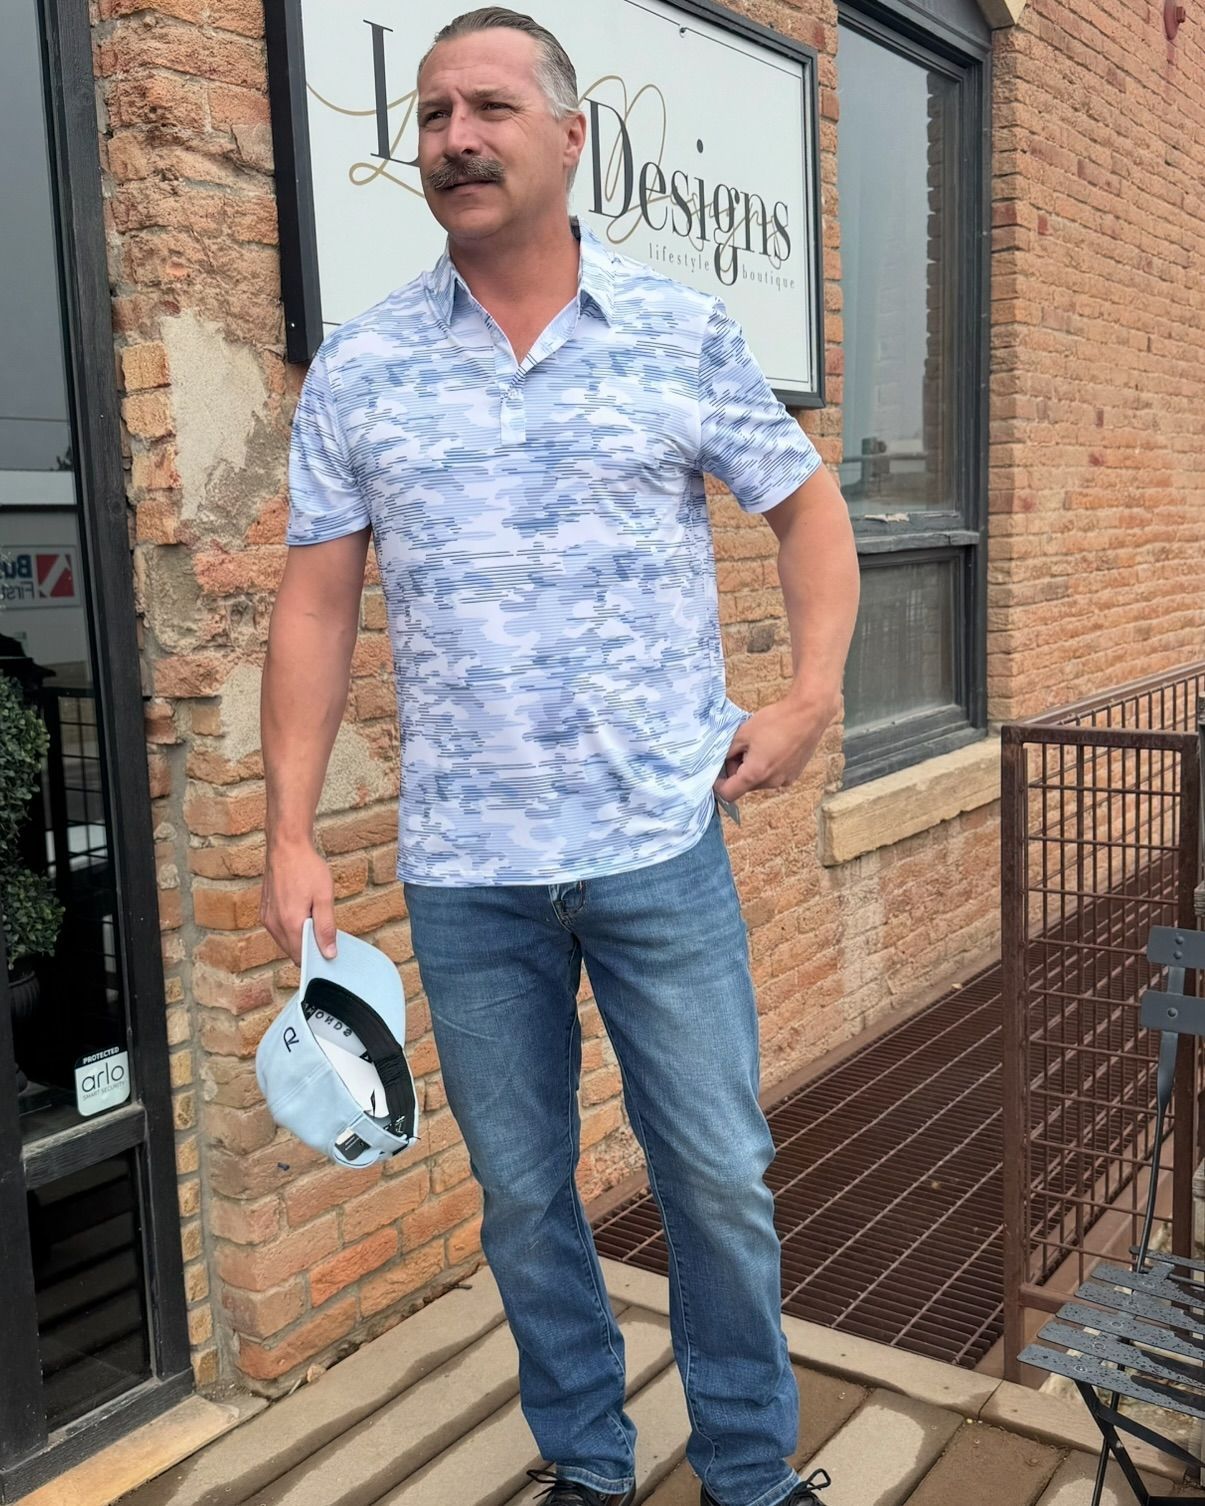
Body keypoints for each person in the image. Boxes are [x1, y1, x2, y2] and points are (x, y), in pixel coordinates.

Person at [260, 9, 860, 1505]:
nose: (455, 135)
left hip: (659, 842)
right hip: (467, 875)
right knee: (525, 1198)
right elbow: (317, 602)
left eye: (489, 107)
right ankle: (588, 1465)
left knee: (715, 1179)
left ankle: (746, 1472)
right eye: (432, 111)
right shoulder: (364, 365)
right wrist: (284, 828)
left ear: (567, 135)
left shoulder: (675, 332)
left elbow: (805, 509)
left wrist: (806, 698)